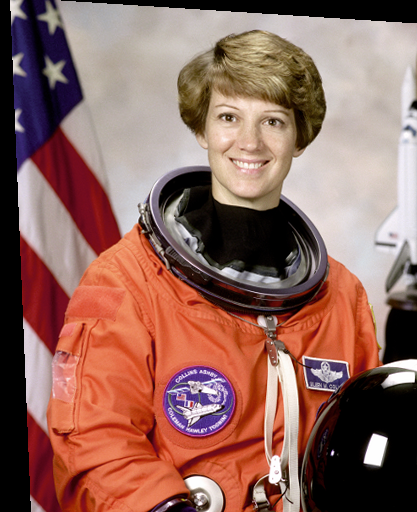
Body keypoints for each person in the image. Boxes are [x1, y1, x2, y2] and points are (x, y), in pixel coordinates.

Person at [47, 30, 381, 512]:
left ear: (299, 138)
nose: (249, 142)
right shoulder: (125, 282)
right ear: (202, 130)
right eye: (229, 117)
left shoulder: (341, 297)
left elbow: (364, 444)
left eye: (273, 121)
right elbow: (93, 440)